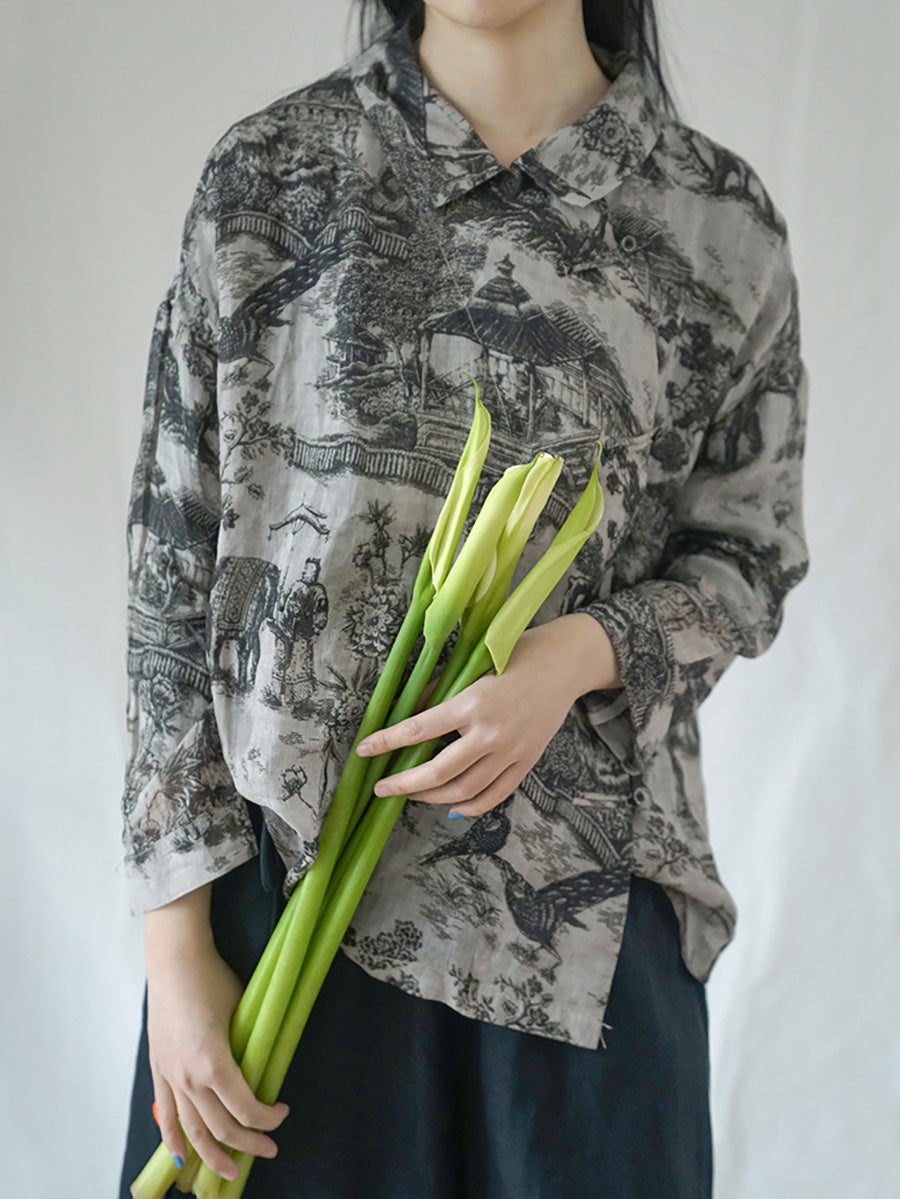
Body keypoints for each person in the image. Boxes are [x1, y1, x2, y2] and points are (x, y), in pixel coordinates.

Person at [117, 1, 810, 1196]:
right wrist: (175, 950)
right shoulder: (268, 173)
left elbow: (749, 555)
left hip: (581, 934)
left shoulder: (717, 220)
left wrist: (576, 652)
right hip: (282, 917)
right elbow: (169, 569)